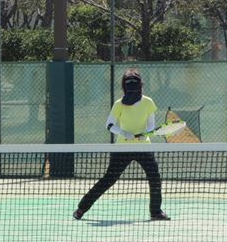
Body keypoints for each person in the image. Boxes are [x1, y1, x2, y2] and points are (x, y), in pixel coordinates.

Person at [73, 69, 170, 221]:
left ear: (140, 85)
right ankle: (81, 209)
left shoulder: (148, 102)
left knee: (154, 178)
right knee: (109, 179)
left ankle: (155, 212)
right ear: (125, 87)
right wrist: (124, 133)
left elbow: (151, 125)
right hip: (122, 149)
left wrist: (145, 134)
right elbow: (109, 125)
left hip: (144, 147)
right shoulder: (119, 104)